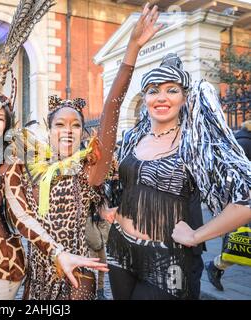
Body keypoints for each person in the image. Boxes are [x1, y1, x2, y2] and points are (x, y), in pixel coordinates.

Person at [0, 0, 107, 300]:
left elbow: (22, 215)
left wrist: (57, 252)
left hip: (3, 263)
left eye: (0, 119)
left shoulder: (8, 161)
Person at [21, 2, 161, 300]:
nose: (67, 130)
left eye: (75, 125)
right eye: (60, 124)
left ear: (83, 132)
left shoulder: (88, 170)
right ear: (50, 130)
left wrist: (132, 48)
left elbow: (112, 107)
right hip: (36, 280)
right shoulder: (31, 170)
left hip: (76, 281)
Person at [104, 51, 251, 300]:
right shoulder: (132, 138)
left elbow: (246, 197)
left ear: (185, 97)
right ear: (145, 98)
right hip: (119, 250)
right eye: (153, 90)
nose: (161, 97)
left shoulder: (197, 143)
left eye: (171, 90)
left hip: (168, 258)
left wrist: (197, 235)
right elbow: (116, 184)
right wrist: (108, 206)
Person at [201, 120, 251, 291]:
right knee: (240, 243)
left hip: (242, 204)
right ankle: (216, 266)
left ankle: (217, 266)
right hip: (242, 204)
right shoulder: (244, 144)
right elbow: (233, 177)